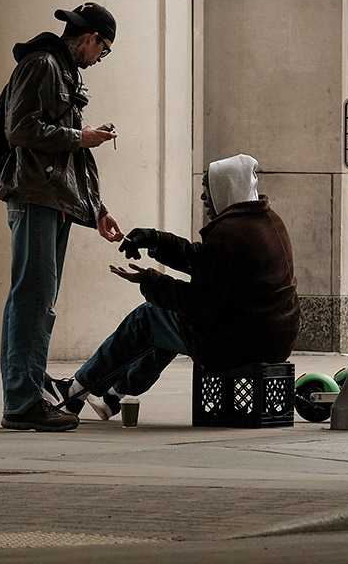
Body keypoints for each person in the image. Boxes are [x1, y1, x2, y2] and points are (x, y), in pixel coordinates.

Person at [45, 153, 300, 421]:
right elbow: (206, 262)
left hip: (239, 344)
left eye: (207, 188)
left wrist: (150, 281)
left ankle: (73, 392)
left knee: (149, 317)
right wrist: (154, 240)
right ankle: (113, 395)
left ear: (225, 189)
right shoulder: (265, 221)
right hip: (272, 338)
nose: (203, 197)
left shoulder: (229, 235)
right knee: (169, 322)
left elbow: (198, 305)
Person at [0, 2, 123, 432]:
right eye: (103, 50)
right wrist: (80, 136)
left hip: (53, 200)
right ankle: (24, 401)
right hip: (34, 197)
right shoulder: (42, 65)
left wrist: (98, 210)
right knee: (32, 300)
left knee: (35, 301)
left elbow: (72, 156)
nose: (99, 59)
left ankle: (25, 395)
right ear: (91, 38)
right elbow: (19, 129)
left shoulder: (64, 72)